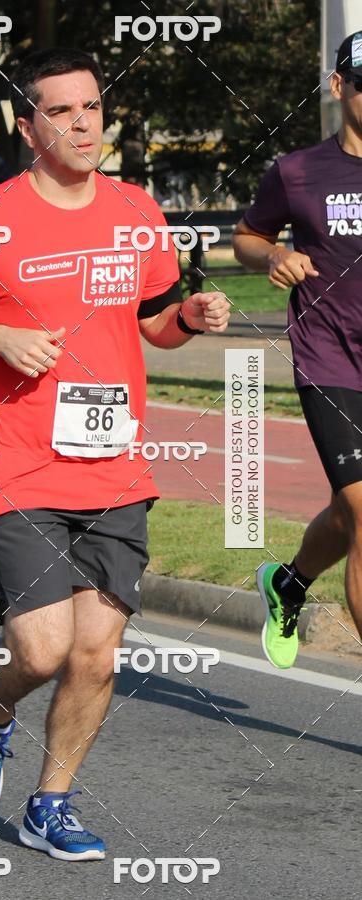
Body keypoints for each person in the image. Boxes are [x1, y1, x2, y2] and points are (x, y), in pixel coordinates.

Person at [0, 47, 229, 861]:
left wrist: (189, 314)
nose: (84, 123)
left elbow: (152, 323)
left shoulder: (135, 209)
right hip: (13, 459)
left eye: (91, 108)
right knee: (44, 650)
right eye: (62, 110)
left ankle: (49, 805)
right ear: (28, 127)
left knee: (95, 654)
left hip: (113, 461)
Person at [233, 31, 362, 670]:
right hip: (329, 356)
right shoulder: (299, 170)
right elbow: (248, 237)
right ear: (340, 87)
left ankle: (288, 583)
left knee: (351, 510)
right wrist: (276, 255)